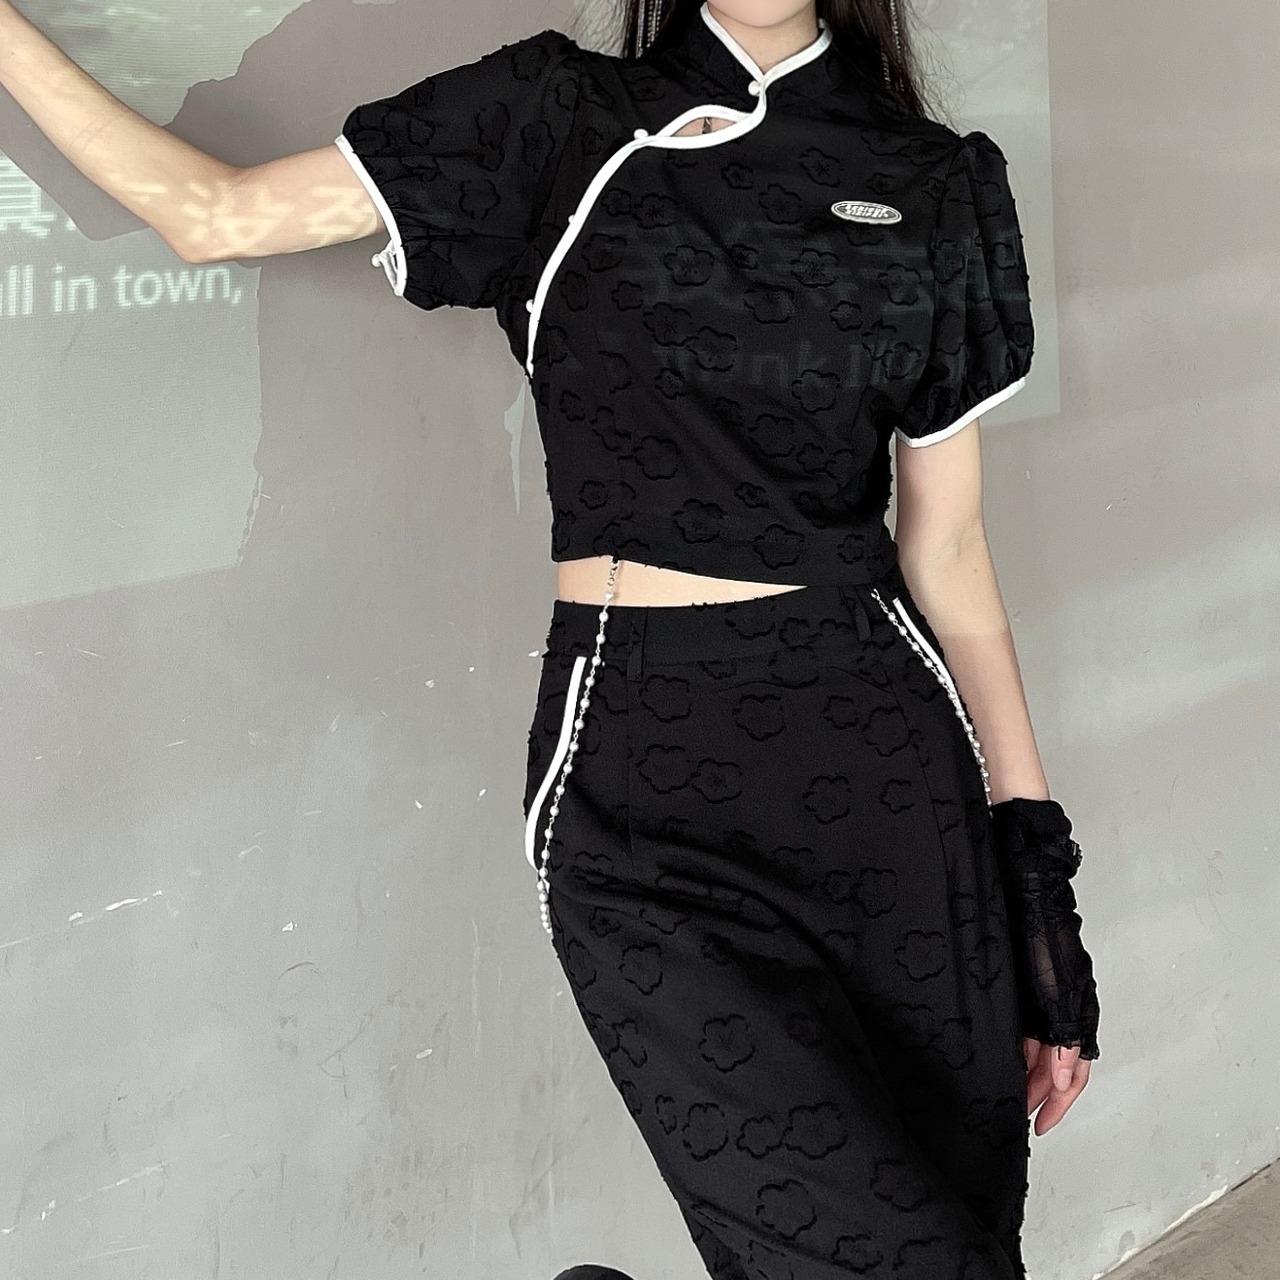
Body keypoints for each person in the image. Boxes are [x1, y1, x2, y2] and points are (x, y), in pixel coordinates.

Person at [0, 1, 1101, 1277]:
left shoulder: (932, 178)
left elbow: (947, 555)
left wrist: (1037, 889)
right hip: (649, 785)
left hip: (894, 787)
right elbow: (213, 213)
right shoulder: (558, 119)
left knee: (960, 1227)